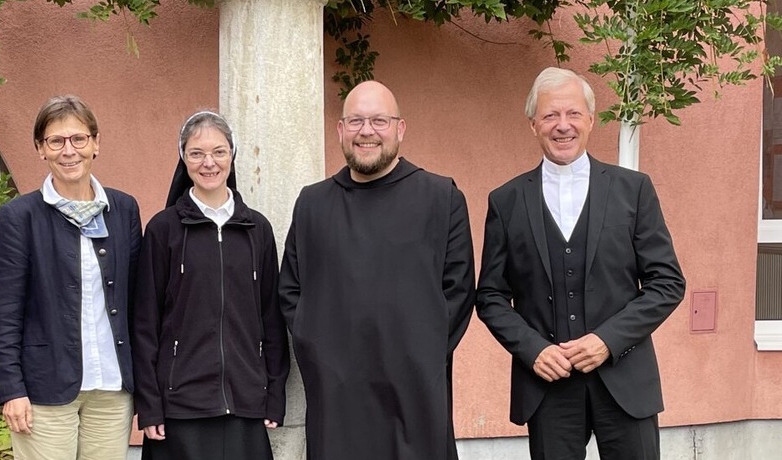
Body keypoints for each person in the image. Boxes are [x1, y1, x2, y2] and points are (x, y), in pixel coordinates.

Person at [475, 67, 686, 460]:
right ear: (533, 124)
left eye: (573, 113)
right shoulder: (505, 201)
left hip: (626, 381)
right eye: (550, 115)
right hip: (547, 387)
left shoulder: (633, 190)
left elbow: (667, 283)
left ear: (590, 119)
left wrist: (608, 341)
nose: (563, 125)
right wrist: (533, 350)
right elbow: (489, 296)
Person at [279, 81, 476, 460]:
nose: (366, 131)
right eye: (355, 121)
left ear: (400, 129)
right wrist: (320, 352)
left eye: (378, 121)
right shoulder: (312, 204)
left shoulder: (441, 198)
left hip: (415, 393)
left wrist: (417, 353)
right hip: (336, 396)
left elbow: (459, 290)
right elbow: (291, 290)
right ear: (341, 130)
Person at [0, 95, 141, 460]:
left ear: (95, 143)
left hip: (112, 387)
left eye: (78, 139)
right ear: (40, 149)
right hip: (44, 390)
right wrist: (11, 390)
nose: (68, 151)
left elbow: (137, 301)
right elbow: (4, 313)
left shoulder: (123, 209)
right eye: (56, 141)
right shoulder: (19, 217)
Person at [132, 111, 290, 460]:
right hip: (179, 407)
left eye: (219, 152)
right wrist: (150, 404)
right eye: (196, 153)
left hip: (245, 403)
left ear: (232, 155)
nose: (209, 163)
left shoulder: (257, 230)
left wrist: (275, 394)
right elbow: (145, 325)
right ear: (183, 157)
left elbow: (271, 319)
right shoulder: (163, 229)